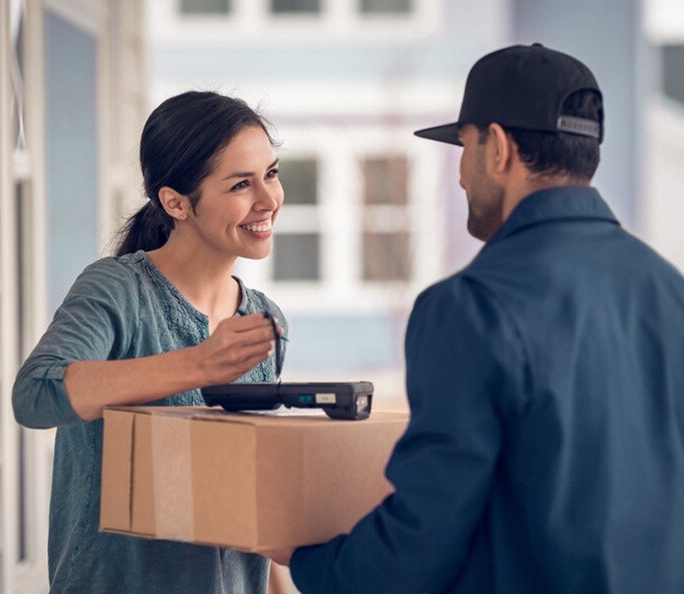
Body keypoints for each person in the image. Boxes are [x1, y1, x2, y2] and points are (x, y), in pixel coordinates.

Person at [263, 44, 684, 592]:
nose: (461, 176)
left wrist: (308, 561)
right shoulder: (669, 291)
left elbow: (421, 545)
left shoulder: (470, 307)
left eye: (463, 147)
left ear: (499, 149)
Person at [13, 90, 288, 593]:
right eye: (240, 184)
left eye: (270, 173)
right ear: (175, 202)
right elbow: (35, 393)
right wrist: (200, 364)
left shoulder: (263, 319)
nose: (269, 199)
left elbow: (250, 507)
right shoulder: (118, 289)